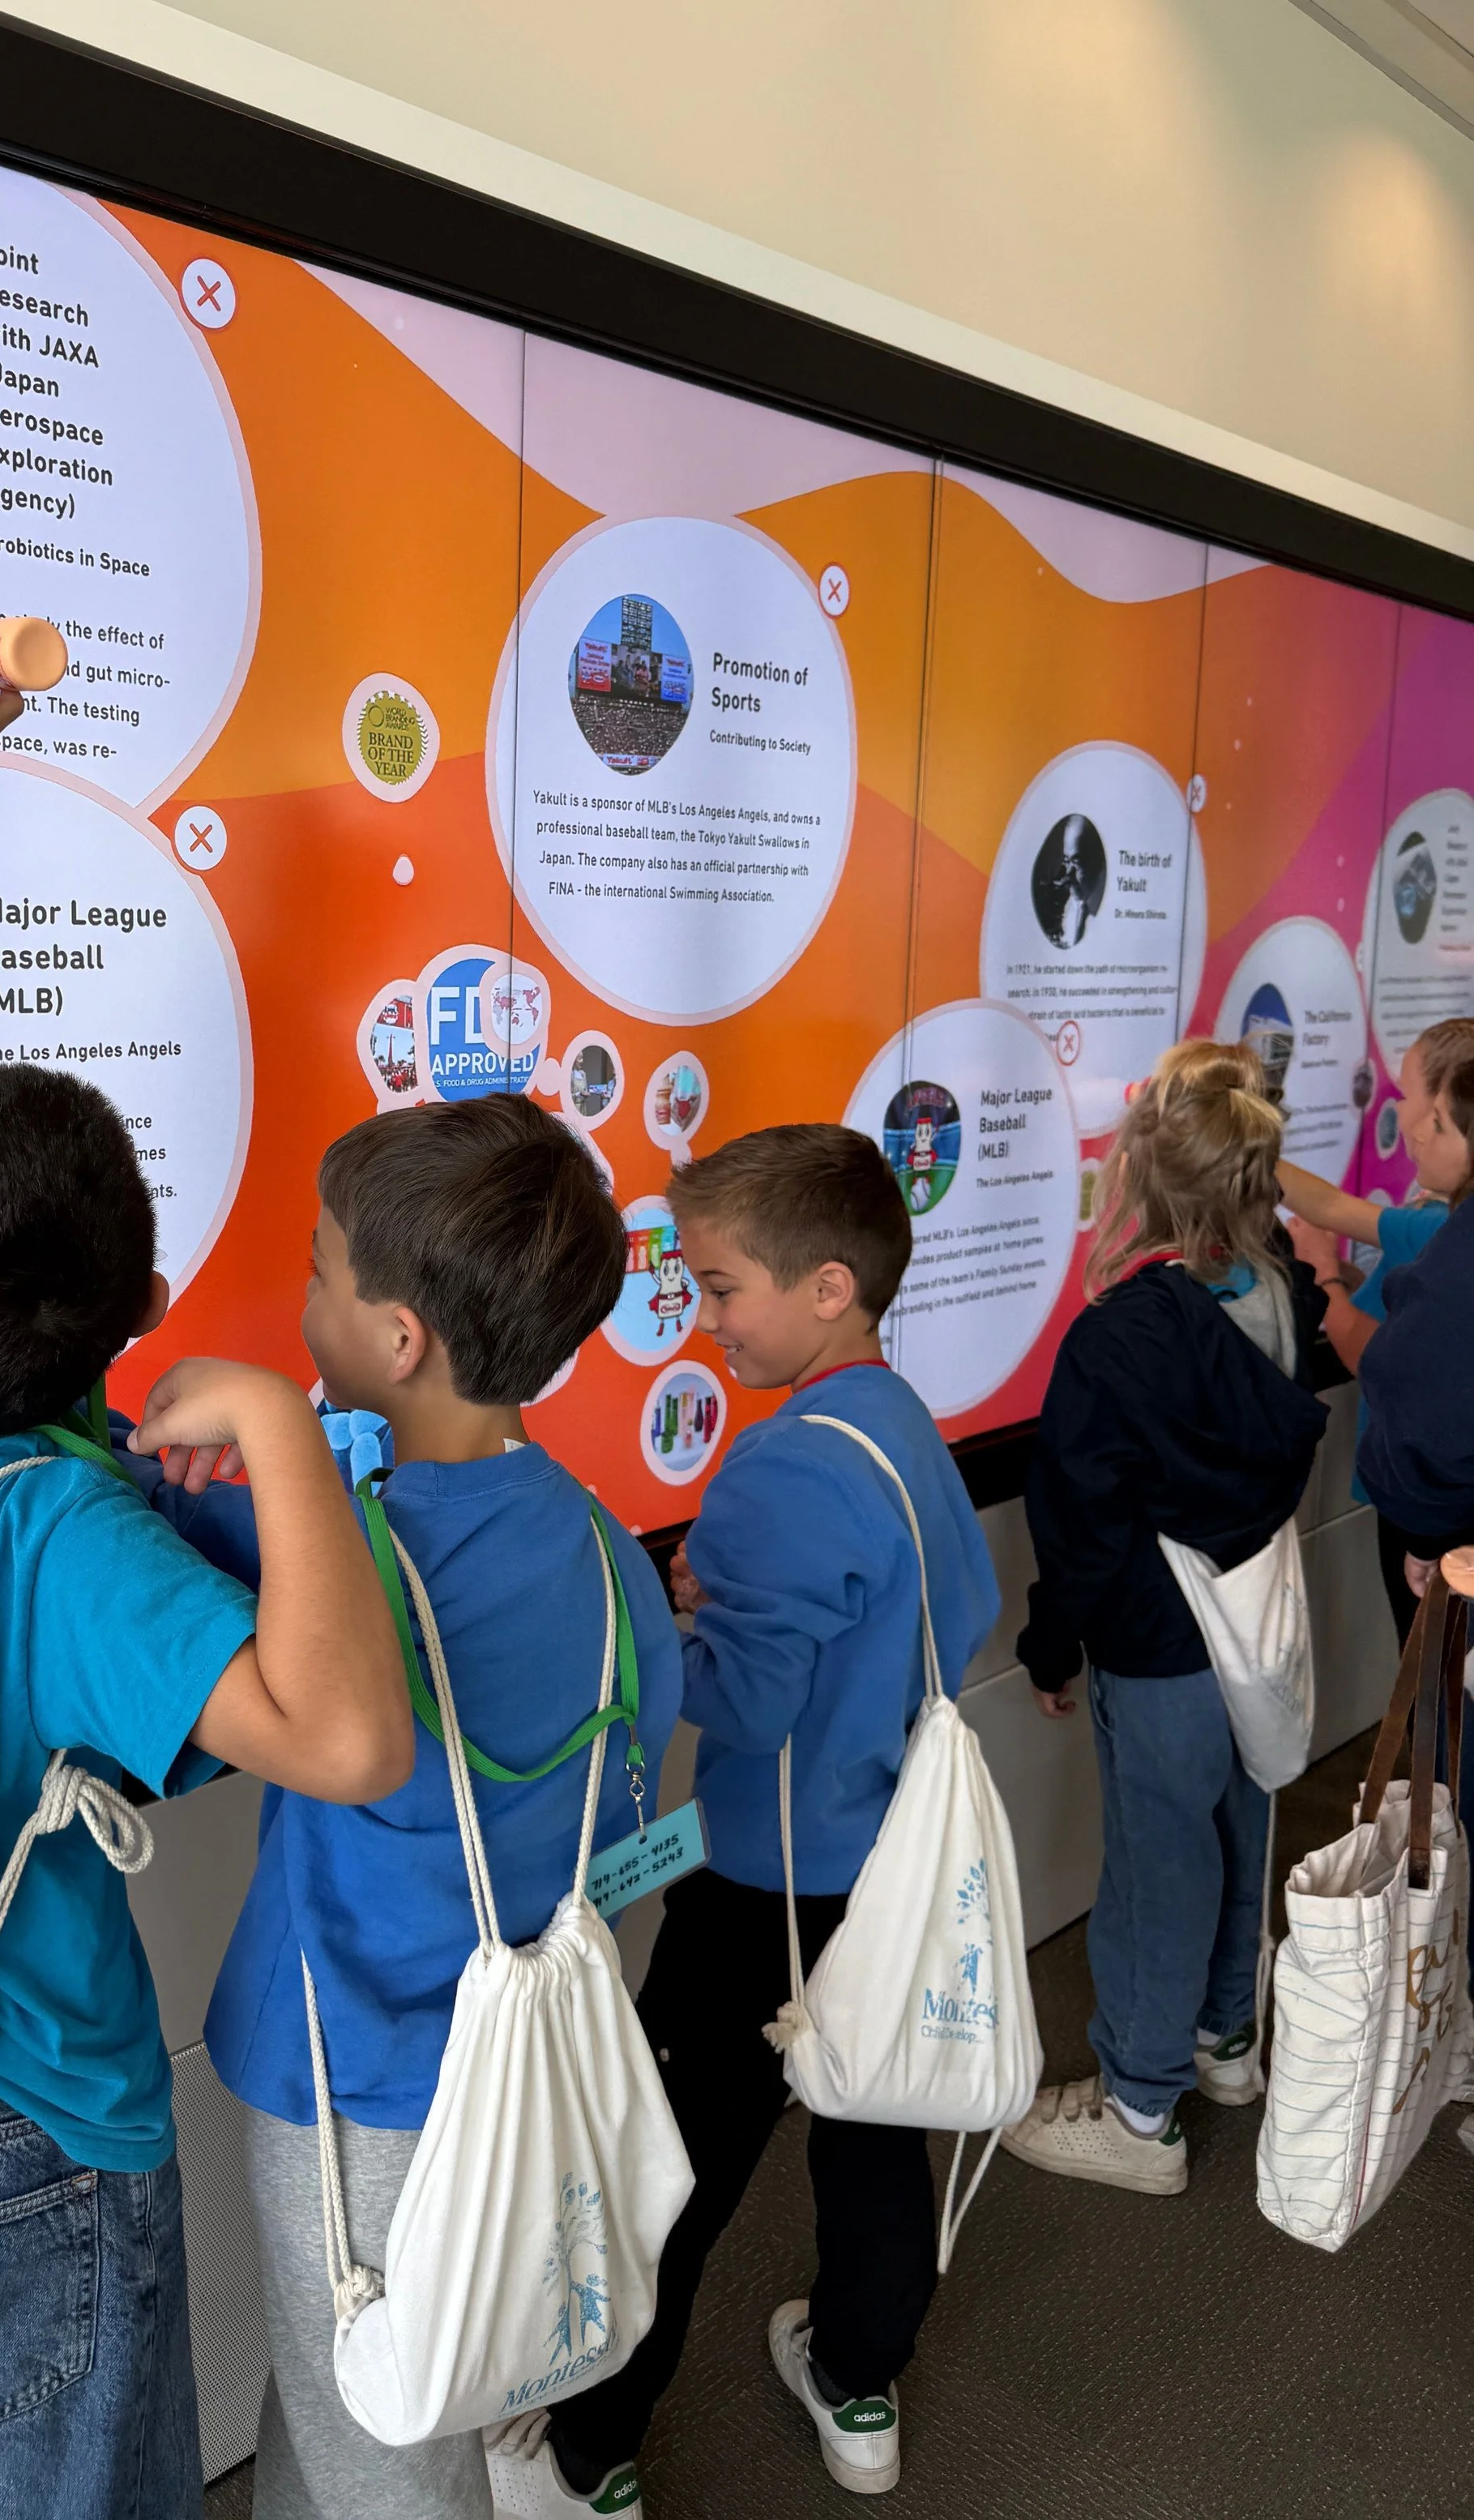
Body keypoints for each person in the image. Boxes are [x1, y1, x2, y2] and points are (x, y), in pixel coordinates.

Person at [0, 618, 411, 2520]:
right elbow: (350, 1738)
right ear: (128, 1320)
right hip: (16, 2135)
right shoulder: (73, 1539)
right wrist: (276, 1430)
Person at [162, 1094, 684, 2520]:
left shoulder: (332, 1547)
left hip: (361, 2092)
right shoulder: (601, 1535)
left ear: (398, 1339)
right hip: (528, 2067)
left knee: (384, 2452)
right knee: (359, 2392)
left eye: (324, 1267)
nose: (304, 1290)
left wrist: (261, 1457)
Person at [492, 1125, 999, 2509]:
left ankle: (591, 2452)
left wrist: (665, 1623)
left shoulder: (780, 1468)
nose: (706, 1322)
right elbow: (960, 1613)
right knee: (874, 2121)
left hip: (765, 1887)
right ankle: (859, 2381)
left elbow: (751, 1705)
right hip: (882, 1861)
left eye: (723, 1289)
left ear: (828, 1286)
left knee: (673, 2163)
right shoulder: (898, 1422)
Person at [1003, 1043, 1325, 2200]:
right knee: (1241, 1822)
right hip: (1258, 1625)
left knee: (1155, 1859)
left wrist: (1052, 1644)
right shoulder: (1283, 1288)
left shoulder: (1121, 1336)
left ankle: (1140, 2109)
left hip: (1156, 1641)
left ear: (1141, 1181)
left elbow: (1081, 1525)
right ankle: (1226, 2038)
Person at [1281, 1018, 1474, 1638]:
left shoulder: (1446, 1238)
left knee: (1433, 1692)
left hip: (1440, 1524)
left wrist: (1324, 1281)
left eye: (1425, 1108)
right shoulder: (1439, 1225)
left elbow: (1394, 1364)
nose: (1408, 1123)